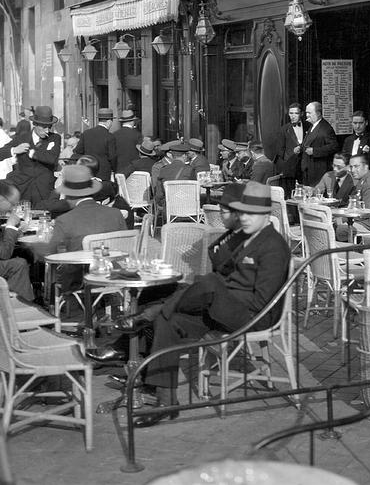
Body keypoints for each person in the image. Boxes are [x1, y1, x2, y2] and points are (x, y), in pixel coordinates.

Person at [111, 181, 290, 417]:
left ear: (266, 215)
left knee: (208, 283)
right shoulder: (244, 237)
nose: (244, 218)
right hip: (223, 309)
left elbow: (262, 302)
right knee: (170, 320)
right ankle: (167, 402)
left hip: (252, 316)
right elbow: (218, 260)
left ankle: (151, 313)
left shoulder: (273, 246)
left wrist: (220, 294)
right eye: (241, 212)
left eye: (250, 214)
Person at [36, 165, 127, 293]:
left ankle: (53, 304)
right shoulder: (115, 214)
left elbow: (48, 253)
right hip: (115, 274)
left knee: (54, 269)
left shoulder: (65, 220)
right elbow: (124, 248)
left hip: (80, 280)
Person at [0, 106, 61, 206]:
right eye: (44, 127)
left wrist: (32, 153)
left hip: (45, 192)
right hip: (22, 191)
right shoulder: (21, 138)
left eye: (49, 127)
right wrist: (14, 150)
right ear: (35, 124)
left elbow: (52, 159)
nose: (47, 130)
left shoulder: (54, 138)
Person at [299, 102, 338, 186]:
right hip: (308, 170)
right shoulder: (312, 125)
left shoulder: (326, 128)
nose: (307, 115)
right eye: (306, 112)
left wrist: (314, 151)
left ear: (318, 113)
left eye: (309, 113)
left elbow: (333, 146)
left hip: (318, 172)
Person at [73, 107, 116, 181]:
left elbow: (78, 150)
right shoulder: (110, 136)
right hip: (103, 173)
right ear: (109, 121)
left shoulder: (86, 133)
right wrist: (115, 169)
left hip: (88, 170)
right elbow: (112, 157)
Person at [277, 103, 306, 182]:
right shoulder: (284, 129)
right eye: (291, 113)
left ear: (302, 114)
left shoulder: (309, 126)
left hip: (305, 167)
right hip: (290, 168)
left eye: (296, 113)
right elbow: (280, 151)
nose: (293, 116)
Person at [113, 110, 143, 176]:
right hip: (133, 170)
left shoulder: (114, 135)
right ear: (132, 121)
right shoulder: (137, 135)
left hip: (118, 169)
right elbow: (141, 153)